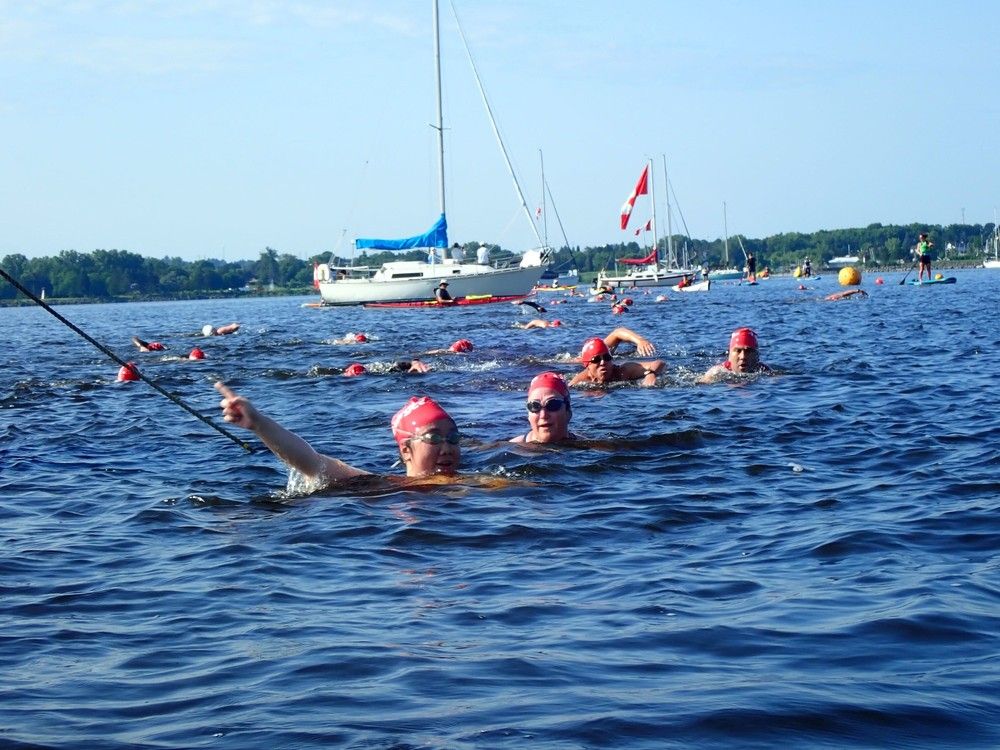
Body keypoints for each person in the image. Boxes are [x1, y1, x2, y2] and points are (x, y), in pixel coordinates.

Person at [215, 383, 460, 481]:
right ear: (406, 450)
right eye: (434, 438)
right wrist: (258, 423)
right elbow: (312, 462)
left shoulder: (479, 484)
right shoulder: (384, 487)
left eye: (453, 438)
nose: (447, 447)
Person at [569, 328, 664, 387]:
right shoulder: (580, 381)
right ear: (587, 365)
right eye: (596, 359)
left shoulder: (622, 371)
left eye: (607, 357)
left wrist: (650, 374)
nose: (602, 362)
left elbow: (659, 363)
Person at [510, 372, 579, 444]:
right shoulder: (513, 448)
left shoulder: (585, 447)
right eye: (534, 406)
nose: (543, 415)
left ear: (568, 412)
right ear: (529, 416)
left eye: (553, 405)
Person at [698, 327, 771, 383]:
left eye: (748, 351)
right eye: (738, 351)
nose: (743, 357)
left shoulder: (764, 370)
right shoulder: (717, 372)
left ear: (756, 355)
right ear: (729, 354)